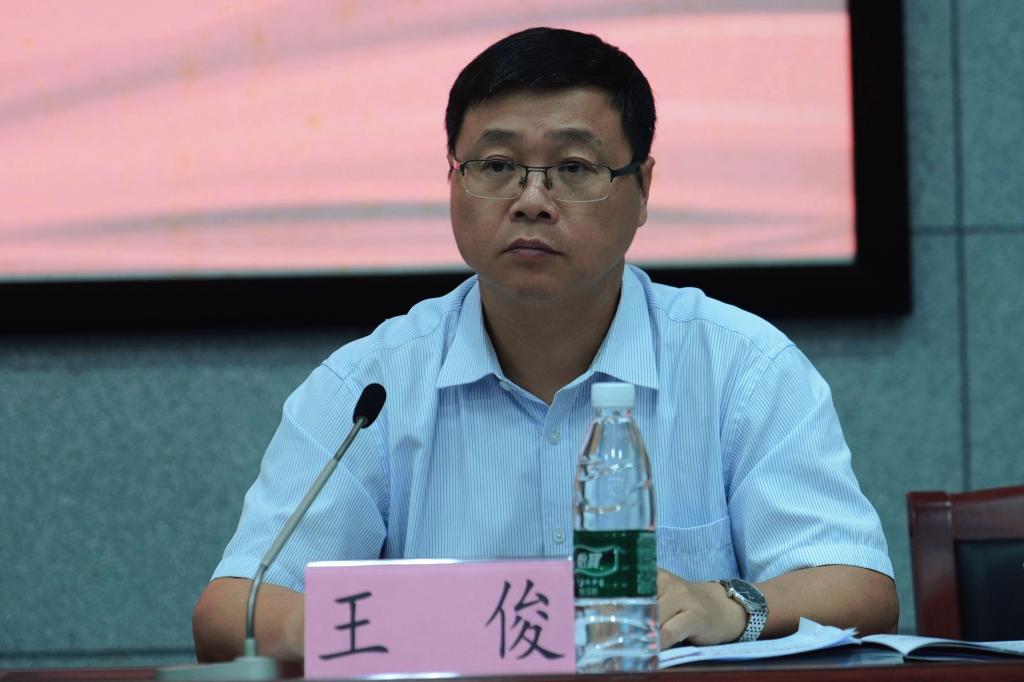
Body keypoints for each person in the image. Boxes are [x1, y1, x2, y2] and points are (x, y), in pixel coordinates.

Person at [192, 26, 898, 662]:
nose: (532, 199)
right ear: (453, 182)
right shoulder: (370, 388)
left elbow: (857, 586)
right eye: (498, 166)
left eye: (574, 168)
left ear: (643, 189)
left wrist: (727, 605)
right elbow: (232, 612)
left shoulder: (742, 367)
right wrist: (407, 621)